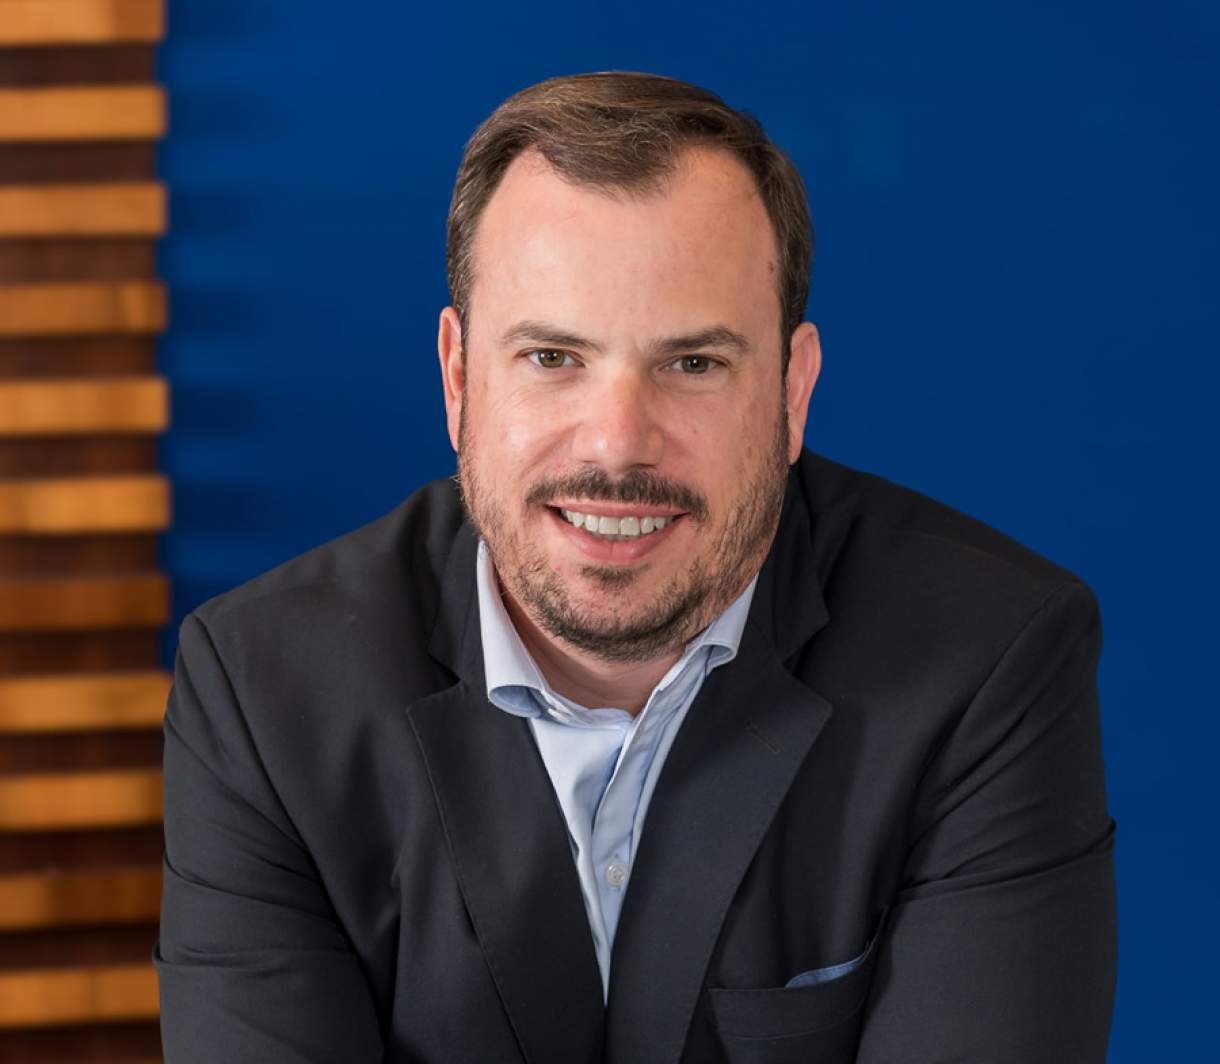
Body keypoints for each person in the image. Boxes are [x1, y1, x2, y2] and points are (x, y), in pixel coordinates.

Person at [154, 72, 1116, 1063]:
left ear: (792, 391)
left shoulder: (986, 659)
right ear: (458, 378)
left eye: (693, 364)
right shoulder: (264, 689)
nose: (617, 444)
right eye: (551, 357)